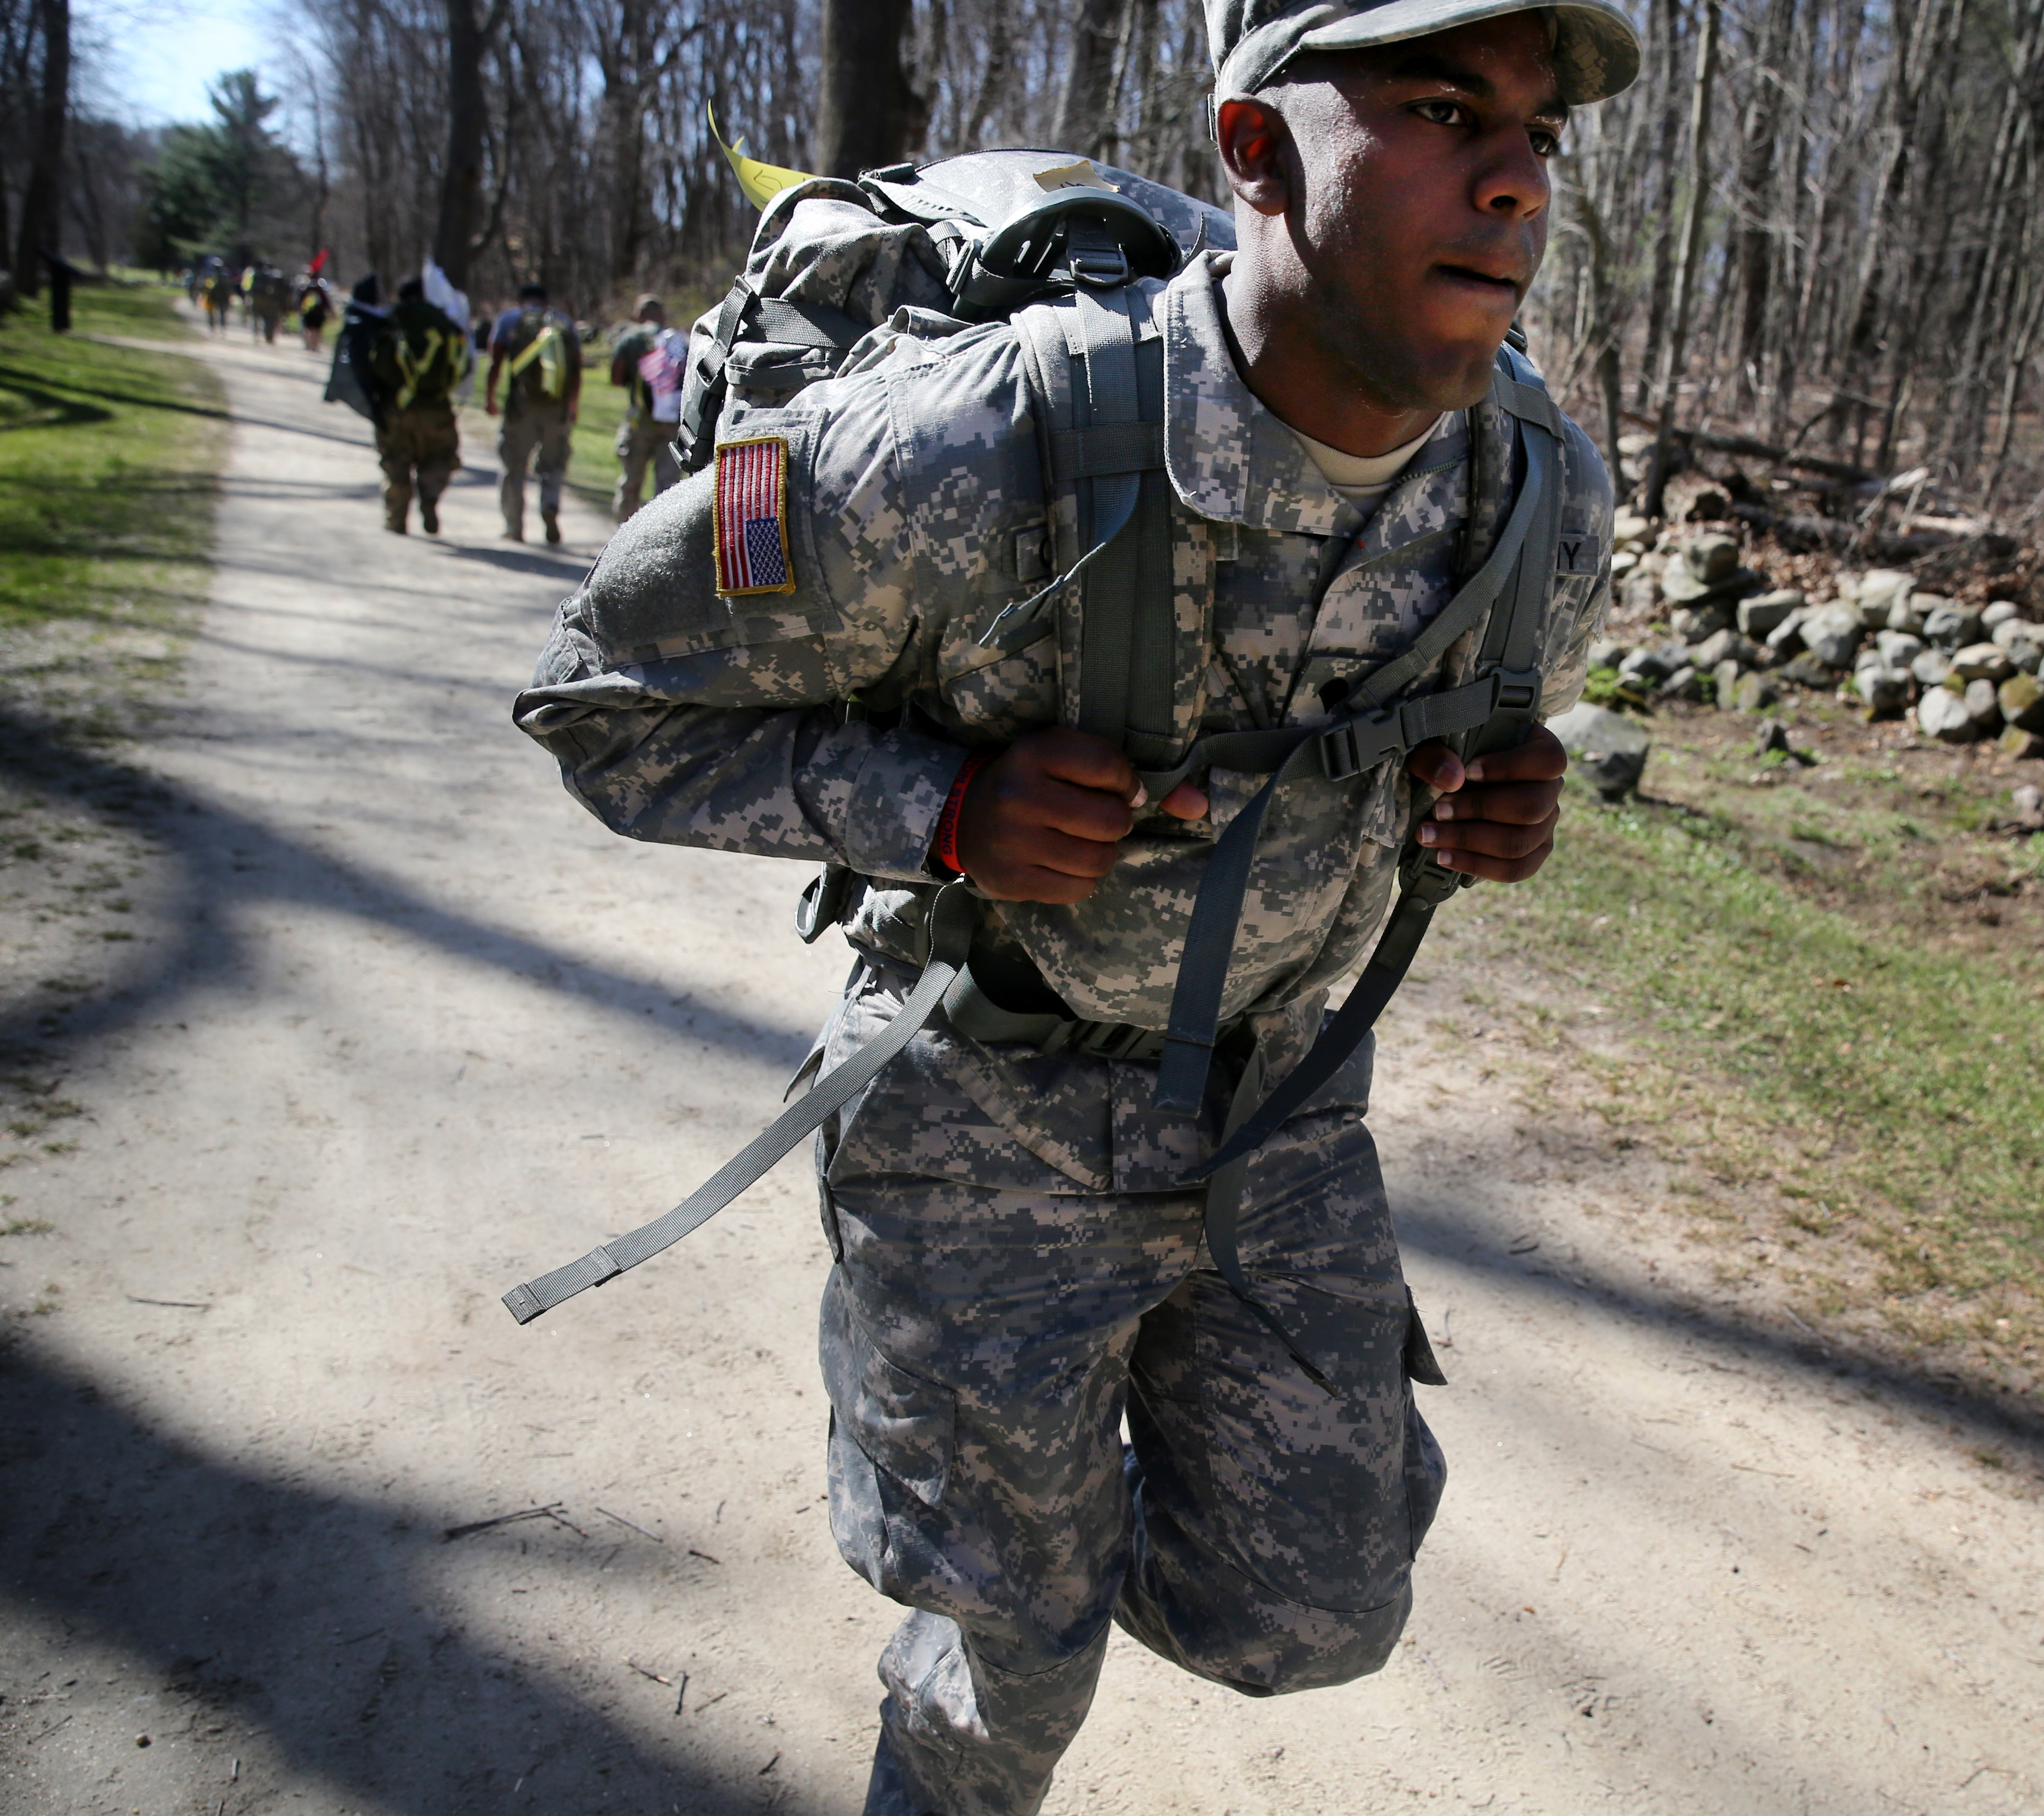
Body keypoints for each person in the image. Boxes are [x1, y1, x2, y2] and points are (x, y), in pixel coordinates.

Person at [512, 2, 1636, 1810]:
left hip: (1274, 1123)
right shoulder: (958, 452)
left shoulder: (1533, 496)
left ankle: (1016, 1516)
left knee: (1315, 1611)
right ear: (1255, 150)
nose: (1514, 177)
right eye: (1438, 110)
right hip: (980, 1129)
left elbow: (1445, 751)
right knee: (1004, 1670)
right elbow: (595, 704)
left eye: (1537, 134)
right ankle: (988, 1547)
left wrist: (1489, 804)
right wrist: (943, 809)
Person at [365, 276, 469, 535]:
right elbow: (464, 365)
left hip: (396, 409)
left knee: (396, 464)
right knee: (440, 458)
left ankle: (396, 520)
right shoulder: (447, 325)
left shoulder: (391, 322)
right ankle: (430, 497)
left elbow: (375, 364)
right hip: (438, 409)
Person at [485, 280, 582, 543]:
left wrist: (490, 397)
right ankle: (549, 505)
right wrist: (573, 405)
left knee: (514, 465)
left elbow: (496, 360)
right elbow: (576, 369)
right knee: (553, 465)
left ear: (521, 300)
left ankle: (514, 526)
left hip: (521, 407)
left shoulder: (509, 321)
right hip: (557, 406)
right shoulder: (564, 323)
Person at [603, 293, 686, 522]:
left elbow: (617, 378)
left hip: (640, 421)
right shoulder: (680, 340)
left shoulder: (631, 339)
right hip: (673, 424)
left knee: (631, 482)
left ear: (638, 315)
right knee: (667, 488)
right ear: (663, 316)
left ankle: (623, 537)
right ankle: (663, 541)